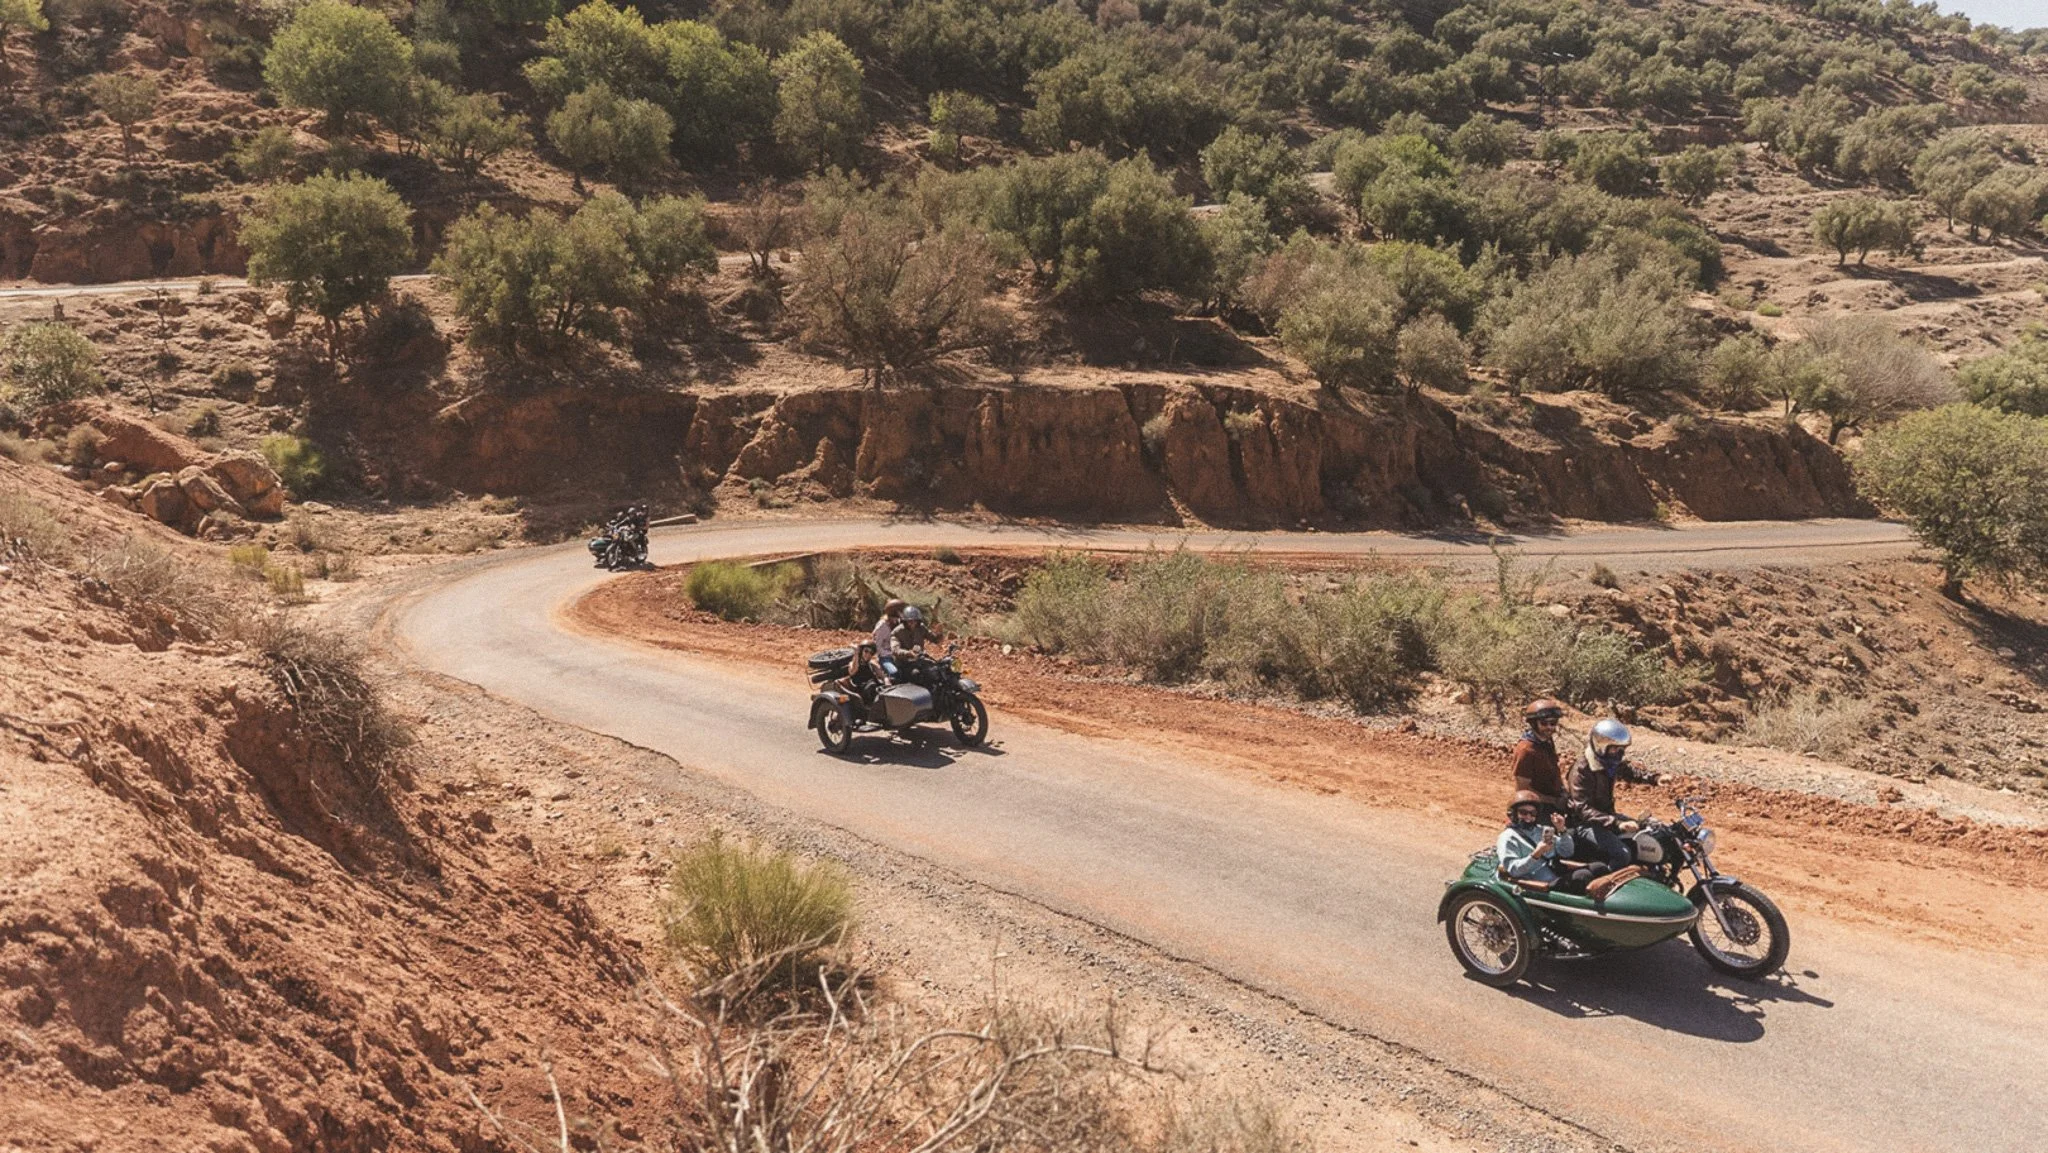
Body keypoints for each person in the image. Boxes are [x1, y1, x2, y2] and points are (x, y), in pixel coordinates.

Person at [1566, 717, 1660, 871]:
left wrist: (1655, 778)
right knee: (1622, 854)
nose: (1619, 753)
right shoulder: (1582, 770)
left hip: (1606, 817)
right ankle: (1606, 887)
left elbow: (1630, 771)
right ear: (1601, 745)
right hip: (1584, 824)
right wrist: (1617, 823)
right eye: (1615, 748)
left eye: (1622, 749)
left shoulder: (1608, 762)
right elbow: (1582, 808)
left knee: (1649, 832)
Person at [1497, 791, 1610, 892]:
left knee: (1599, 867)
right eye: (1523, 812)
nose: (1528, 817)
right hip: (1538, 884)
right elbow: (1513, 870)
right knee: (1583, 876)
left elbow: (1567, 852)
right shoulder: (1508, 838)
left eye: (1532, 813)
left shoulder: (1541, 830)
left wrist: (1562, 830)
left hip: (1556, 873)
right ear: (1513, 814)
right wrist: (1536, 854)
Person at [1509, 699, 1569, 809]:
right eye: (1544, 723)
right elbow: (1523, 790)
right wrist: (1553, 801)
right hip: (1536, 808)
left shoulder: (1546, 742)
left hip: (1555, 800)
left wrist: (1564, 793)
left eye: (1553, 723)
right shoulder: (1526, 750)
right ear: (1533, 723)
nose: (1549, 727)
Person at [873, 599, 907, 681]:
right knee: (894, 672)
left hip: (899, 654)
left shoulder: (898, 623)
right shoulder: (882, 626)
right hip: (886, 656)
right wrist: (891, 654)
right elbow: (877, 646)